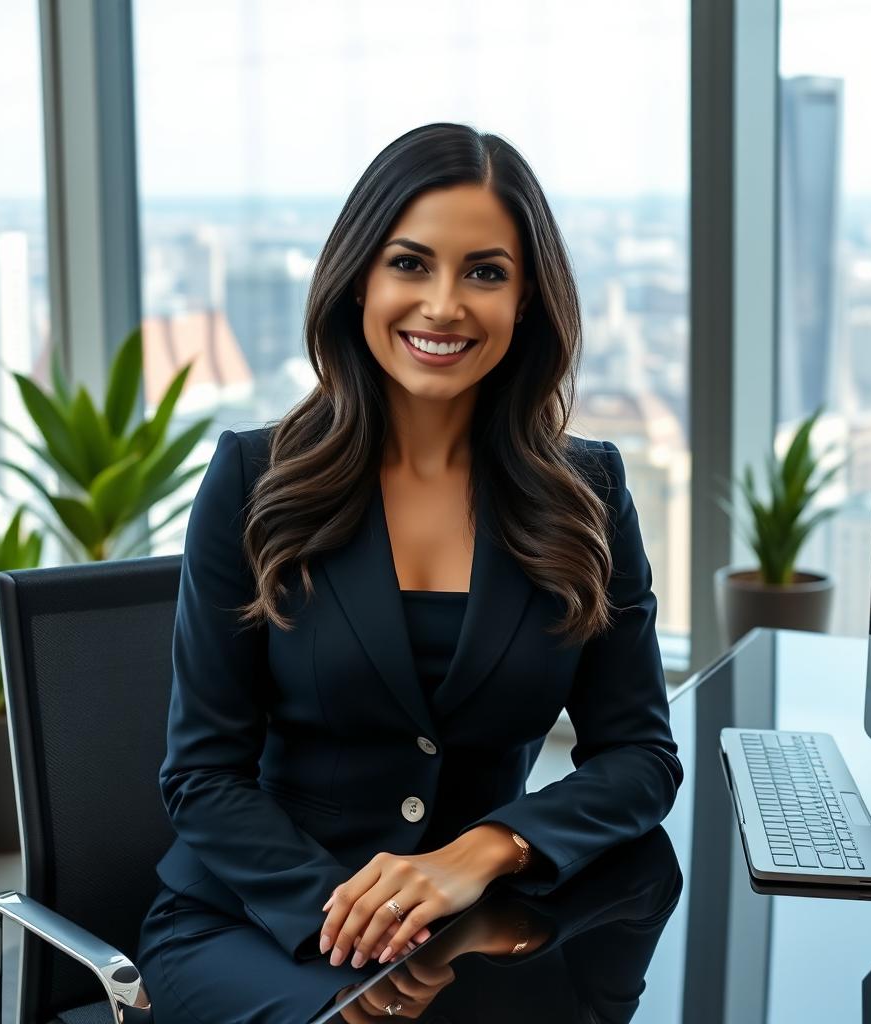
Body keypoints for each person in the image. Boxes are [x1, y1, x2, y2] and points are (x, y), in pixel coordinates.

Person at [134, 122, 684, 1023]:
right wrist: (365, 924)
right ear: (360, 281)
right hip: (259, 924)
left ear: (528, 300)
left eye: (485, 272)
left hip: (473, 923)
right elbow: (202, 776)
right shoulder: (251, 477)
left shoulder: (588, 490)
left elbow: (639, 757)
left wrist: (486, 849)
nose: (443, 305)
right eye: (411, 264)